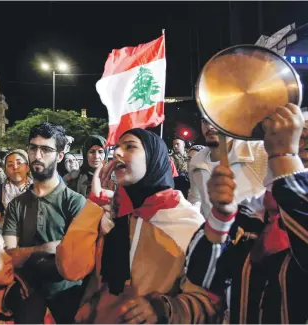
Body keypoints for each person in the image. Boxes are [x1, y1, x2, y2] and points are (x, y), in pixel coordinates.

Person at [56, 128, 222, 324]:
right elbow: (69, 268)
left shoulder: (189, 223)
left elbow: (209, 303)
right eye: (117, 147)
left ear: (153, 159)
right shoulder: (113, 215)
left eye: (130, 147)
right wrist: (95, 204)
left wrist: (163, 308)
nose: (117, 152)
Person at [185, 104, 308, 323]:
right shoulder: (252, 214)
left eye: (300, 136)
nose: (300, 145)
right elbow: (203, 277)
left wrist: (285, 157)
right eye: (292, 137)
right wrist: (221, 216)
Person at [3, 122, 86, 324]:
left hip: (68, 300)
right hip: (27, 299)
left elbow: (77, 261)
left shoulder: (74, 202)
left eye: (46, 149)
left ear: (59, 155)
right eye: (33, 148)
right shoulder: (17, 205)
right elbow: (9, 257)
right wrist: (43, 249)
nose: (37, 156)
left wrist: (25, 253)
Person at [188, 118, 268, 220]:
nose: (210, 126)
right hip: (212, 232)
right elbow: (195, 199)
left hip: (252, 233)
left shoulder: (259, 151)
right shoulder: (196, 161)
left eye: (216, 118)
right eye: (205, 121)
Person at [0, 149, 32, 228]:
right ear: (5, 171)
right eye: (10, 165)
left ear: (27, 168)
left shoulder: (38, 188)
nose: (15, 167)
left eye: (19, 163)